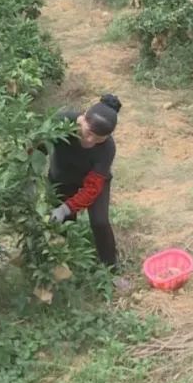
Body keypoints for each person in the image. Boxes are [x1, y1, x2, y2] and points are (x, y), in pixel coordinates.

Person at [44, 94, 122, 270]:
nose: (90, 141)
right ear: (82, 119)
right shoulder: (62, 122)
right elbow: (37, 147)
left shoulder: (107, 149)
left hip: (93, 183)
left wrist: (65, 208)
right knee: (61, 225)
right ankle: (60, 266)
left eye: (98, 139)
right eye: (89, 133)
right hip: (62, 179)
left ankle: (111, 269)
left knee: (100, 222)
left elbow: (93, 187)